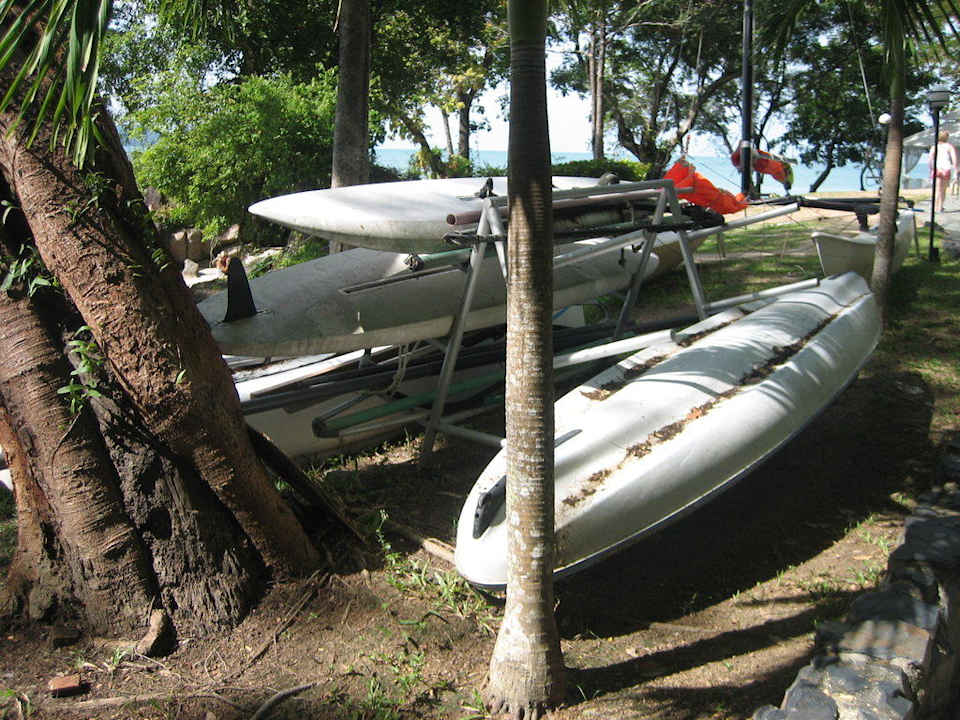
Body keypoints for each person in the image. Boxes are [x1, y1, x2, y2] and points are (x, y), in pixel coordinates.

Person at [929, 129, 957, 212]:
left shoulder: (934, 147)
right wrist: (955, 170)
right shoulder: (949, 147)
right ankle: (940, 206)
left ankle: (935, 206)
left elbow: (930, 159)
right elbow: (954, 160)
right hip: (946, 169)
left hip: (937, 169)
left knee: (937, 189)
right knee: (943, 189)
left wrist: (931, 169)